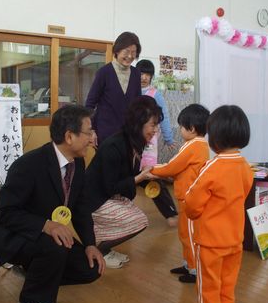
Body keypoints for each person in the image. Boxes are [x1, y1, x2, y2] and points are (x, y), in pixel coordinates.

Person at [0, 105, 105, 303]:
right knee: (56, 244)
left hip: (49, 237)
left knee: (91, 268)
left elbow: (80, 208)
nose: (92, 138)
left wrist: (90, 244)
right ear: (69, 136)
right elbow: (4, 212)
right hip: (15, 236)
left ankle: (36, 273)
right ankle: (32, 301)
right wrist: (46, 225)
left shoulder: (77, 163)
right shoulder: (29, 165)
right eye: (89, 132)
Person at [184, 105, 253, 303]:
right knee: (227, 290)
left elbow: (192, 204)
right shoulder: (246, 167)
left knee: (209, 292)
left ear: (215, 137)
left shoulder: (212, 168)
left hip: (210, 243)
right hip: (234, 241)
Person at [85, 95, 162, 268]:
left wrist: (146, 176)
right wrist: (140, 177)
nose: (155, 130)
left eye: (156, 125)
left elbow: (125, 178)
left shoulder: (133, 143)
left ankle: (103, 246)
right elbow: (110, 186)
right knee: (139, 220)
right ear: (138, 123)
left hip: (107, 195)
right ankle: (99, 250)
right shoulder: (114, 146)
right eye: (153, 124)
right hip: (93, 199)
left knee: (135, 215)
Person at [150, 104, 210, 283]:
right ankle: (187, 263)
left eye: (182, 127)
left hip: (190, 199)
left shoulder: (192, 146)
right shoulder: (200, 145)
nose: (181, 130)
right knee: (185, 233)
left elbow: (172, 166)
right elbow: (180, 169)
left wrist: (151, 169)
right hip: (187, 197)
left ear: (191, 128)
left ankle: (194, 270)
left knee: (189, 234)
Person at [136, 59, 178, 227]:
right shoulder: (129, 92)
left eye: (147, 74)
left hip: (149, 142)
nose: (144, 77)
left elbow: (164, 117)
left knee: (151, 175)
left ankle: (170, 212)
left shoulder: (155, 94)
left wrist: (168, 138)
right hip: (131, 139)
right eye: (140, 73)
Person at [85, 31, 141, 144]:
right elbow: (90, 103)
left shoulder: (136, 74)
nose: (130, 56)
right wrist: (91, 131)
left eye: (133, 52)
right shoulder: (104, 72)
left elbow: (138, 105)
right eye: (126, 51)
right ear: (117, 50)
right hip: (105, 134)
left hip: (128, 135)